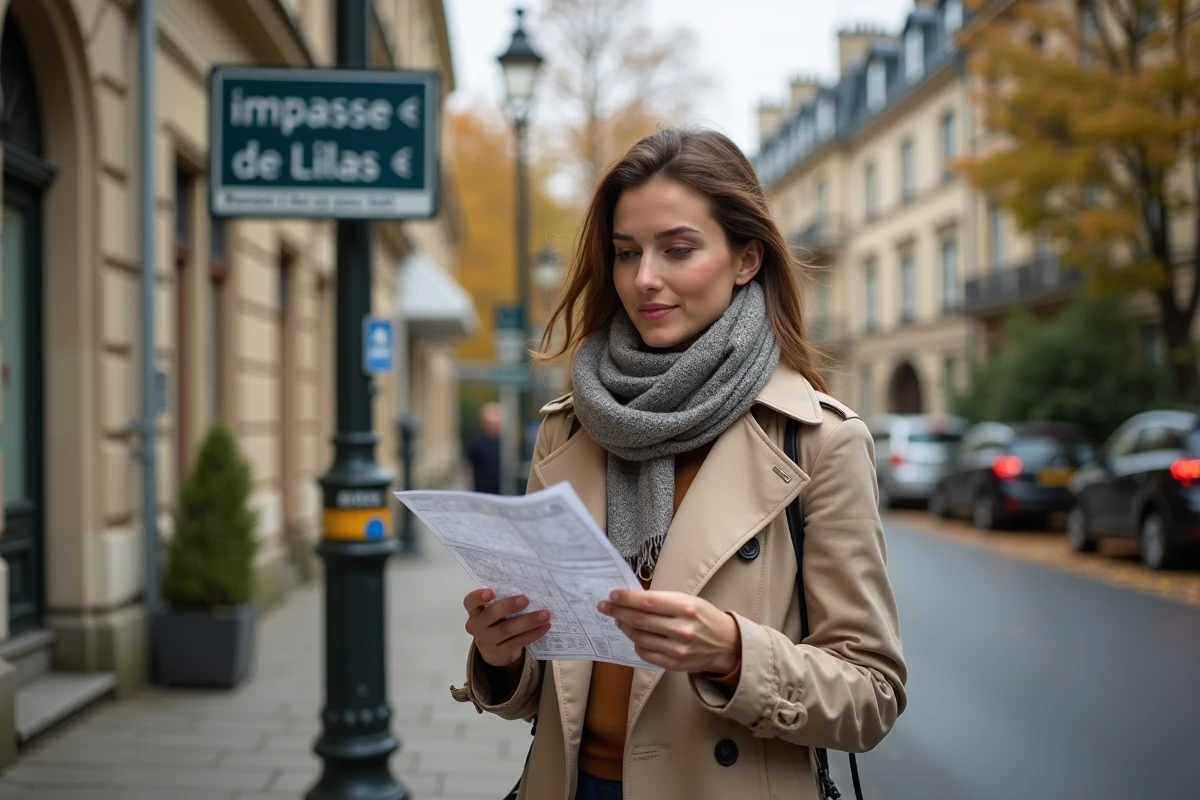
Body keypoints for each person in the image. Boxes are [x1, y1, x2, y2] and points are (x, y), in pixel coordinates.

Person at [451, 128, 906, 800]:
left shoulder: (817, 441)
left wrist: (732, 652)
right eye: (626, 252)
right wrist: (503, 655)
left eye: (678, 249)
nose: (644, 279)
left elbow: (872, 694)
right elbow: (550, 694)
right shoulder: (569, 428)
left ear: (746, 258)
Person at [464, 401, 503, 495]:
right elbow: (468, 466)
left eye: (496, 424)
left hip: (503, 492)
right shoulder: (476, 441)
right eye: (490, 424)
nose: (493, 427)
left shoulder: (505, 443)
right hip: (482, 492)